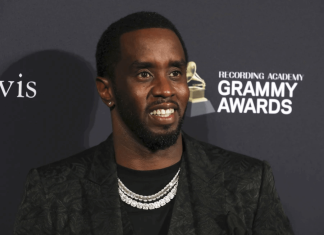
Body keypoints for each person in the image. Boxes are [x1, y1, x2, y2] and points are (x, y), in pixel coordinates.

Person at [14, 12, 294, 235]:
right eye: (145, 73)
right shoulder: (54, 190)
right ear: (106, 90)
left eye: (175, 72)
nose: (165, 89)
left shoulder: (246, 183)